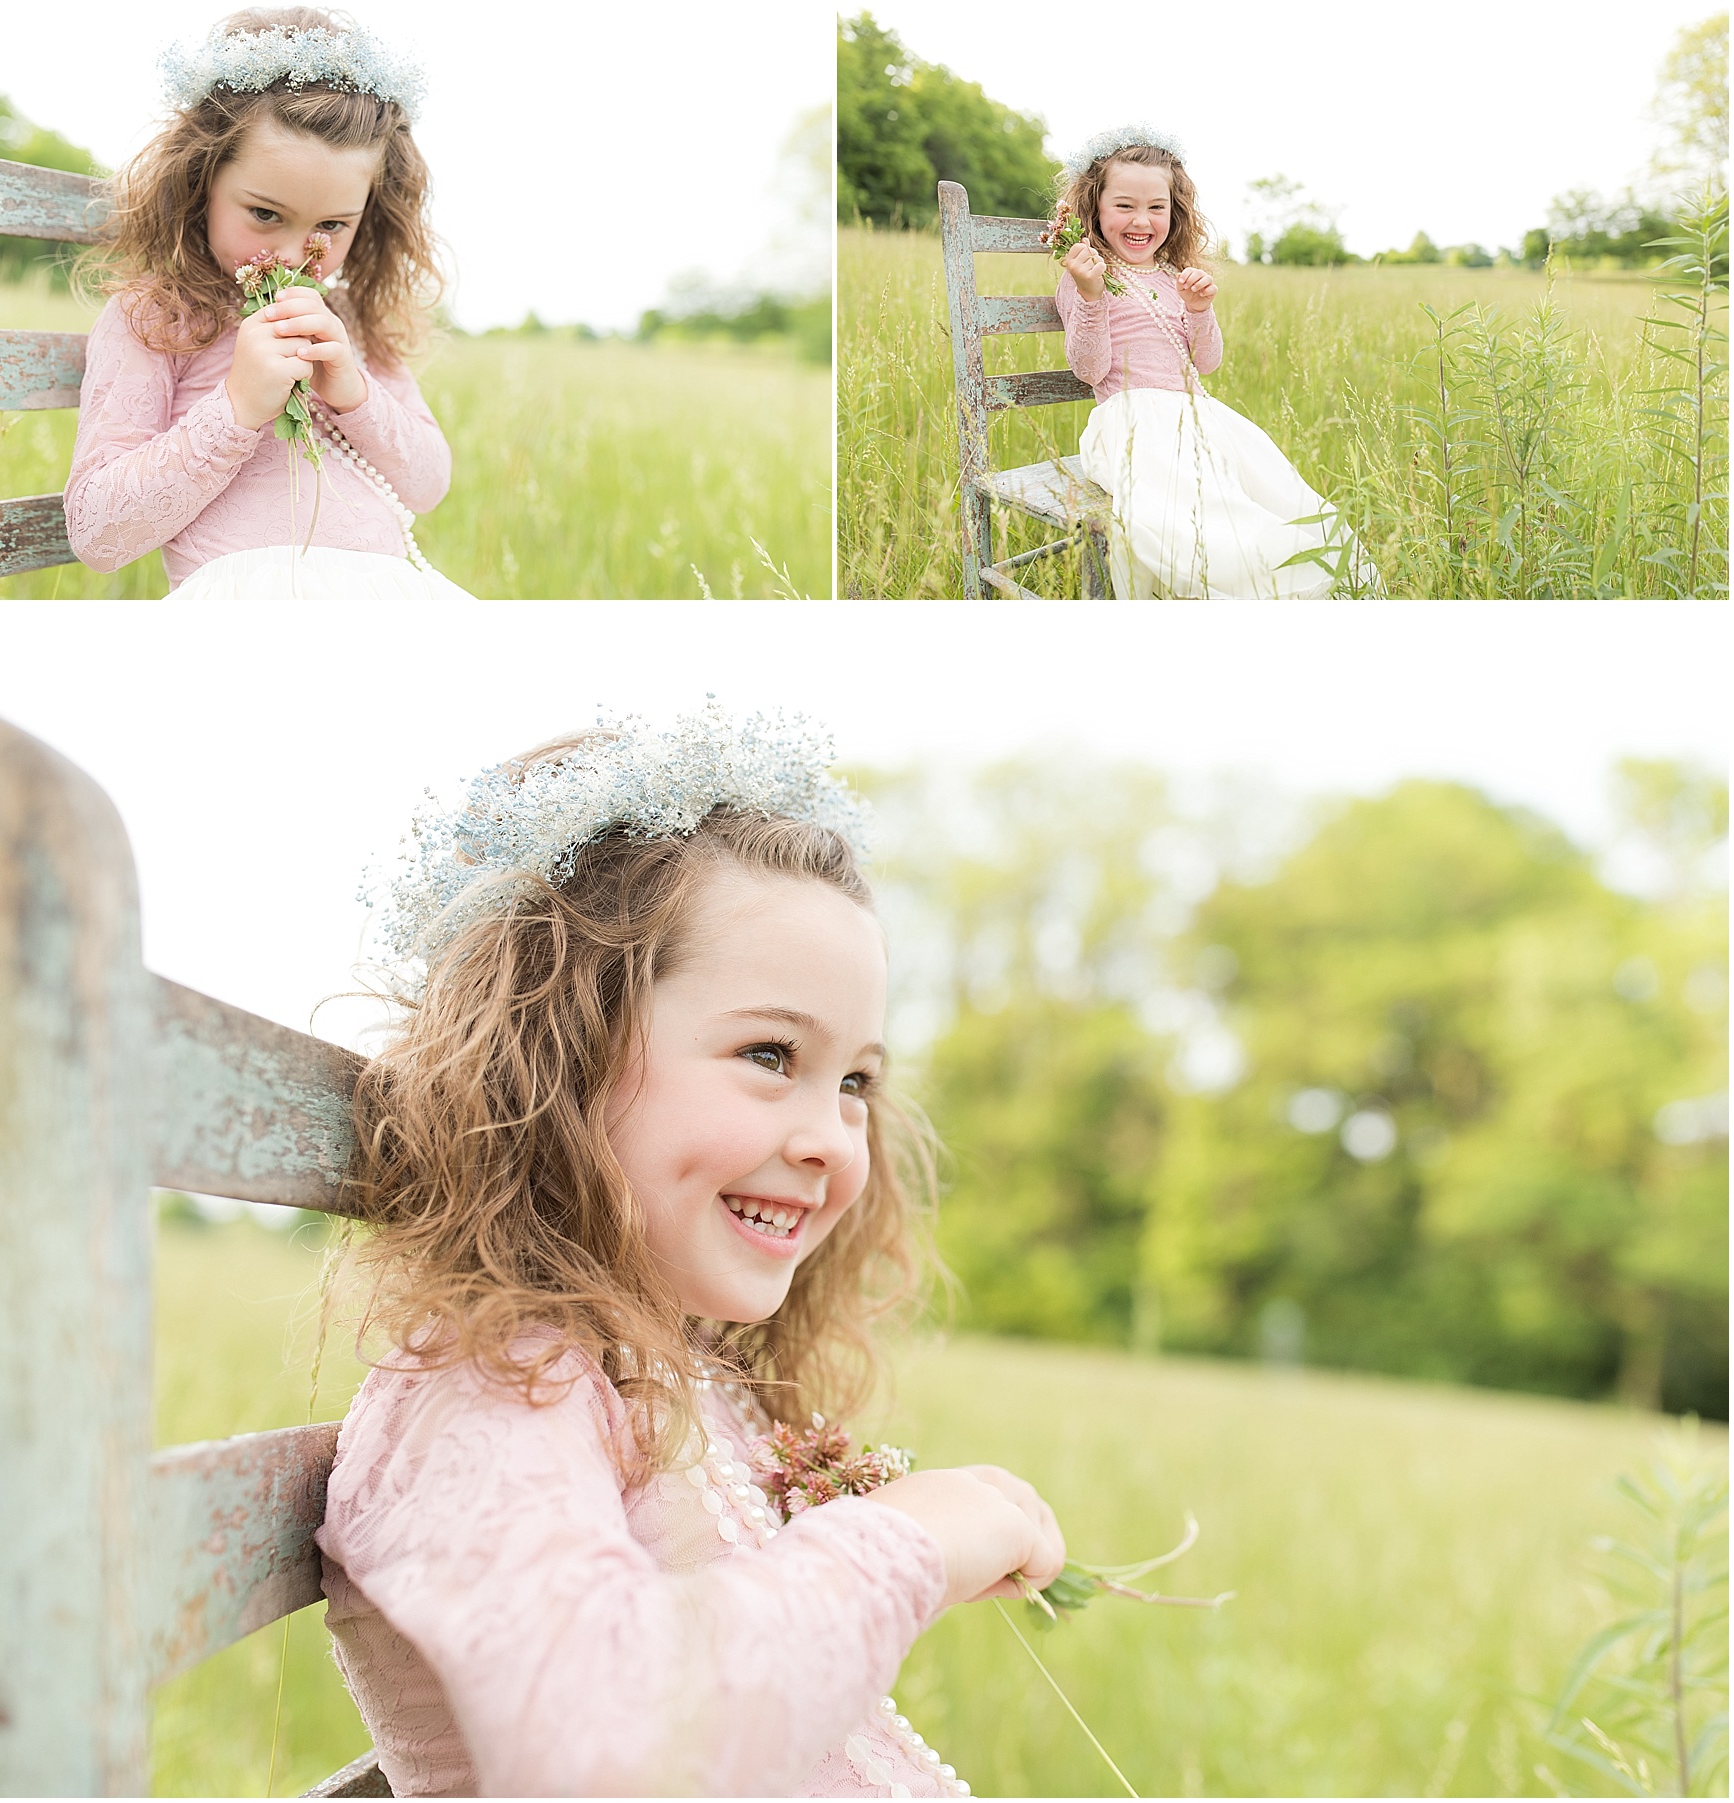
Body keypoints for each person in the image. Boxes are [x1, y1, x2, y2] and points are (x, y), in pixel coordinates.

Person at [317, 707, 1068, 1797]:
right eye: (770, 1054)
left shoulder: (675, 1370)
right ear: (564, 1051)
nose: (829, 1139)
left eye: (855, 1081)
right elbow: (604, 1735)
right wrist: (902, 1549)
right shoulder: (491, 1385)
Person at [64, 7, 471, 598]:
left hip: (382, 600)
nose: (292, 251)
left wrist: (354, 395)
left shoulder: (347, 324)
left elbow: (429, 484)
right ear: (202, 182)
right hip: (245, 605)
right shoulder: (156, 318)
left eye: (331, 223)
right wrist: (237, 406)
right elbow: (97, 533)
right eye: (265, 214)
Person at [1052, 124, 1374, 599]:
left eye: (1156, 207)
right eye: (1124, 206)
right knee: (1192, 522)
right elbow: (1090, 369)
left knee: (1274, 497)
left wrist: (1200, 310)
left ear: (1174, 211)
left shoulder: (1176, 275)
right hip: (1134, 420)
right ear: (1094, 206)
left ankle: (1296, 575)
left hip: (1198, 414)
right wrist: (1091, 295)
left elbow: (1207, 362)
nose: (1141, 221)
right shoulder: (1085, 277)